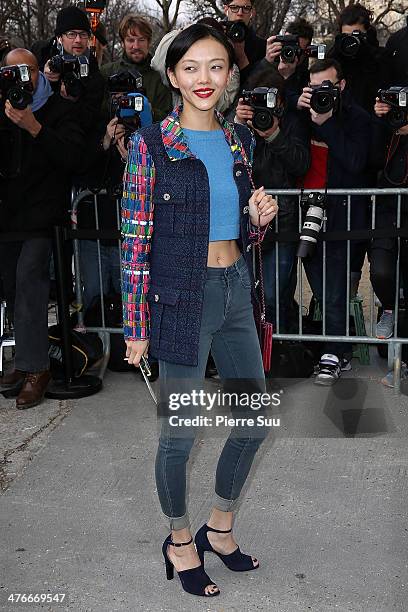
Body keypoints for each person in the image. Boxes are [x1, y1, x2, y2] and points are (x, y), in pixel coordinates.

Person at [121, 24, 277, 597]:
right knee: (180, 435)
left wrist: (256, 222)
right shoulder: (151, 145)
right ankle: (181, 538)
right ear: (172, 76)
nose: (204, 79)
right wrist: (134, 327)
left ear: (230, 74)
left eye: (215, 66)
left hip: (236, 287)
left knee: (253, 422)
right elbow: (135, 241)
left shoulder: (239, 141)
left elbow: (236, 226)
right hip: (182, 298)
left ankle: (221, 526)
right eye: (191, 68)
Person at [0, 49, 84, 408]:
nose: (21, 78)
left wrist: (34, 127)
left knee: (31, 284)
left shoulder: (57, 109)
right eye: (11, 71)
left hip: (43, 217)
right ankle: (25, 361)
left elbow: (73, 158)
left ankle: (37, 370)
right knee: (14, 290)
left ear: (39, 73)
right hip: (7, 218)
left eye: (27, 70)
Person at [296, 58, 371, 385]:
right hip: (300, 209)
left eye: (326, 87)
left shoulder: (358, 118)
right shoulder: (300, 115)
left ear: (341, 86)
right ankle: (328, 348)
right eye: (314, 89)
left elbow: (355, 162)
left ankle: (333, 354)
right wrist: (290, 109)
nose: (319, 94)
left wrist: (326, 123)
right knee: (322, 288)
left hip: (341, 211)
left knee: (335, 289)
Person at [235, 68, 310, 330]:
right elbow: (229, 164)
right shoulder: (240, 128)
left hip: (283, 221)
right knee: (245, 293)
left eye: (271, 100)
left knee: (274, 293)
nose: (265, 108)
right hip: (246, 222)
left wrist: (275, 136)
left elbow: (301, 164)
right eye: (258, 100)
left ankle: (276, 350)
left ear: (281, 100)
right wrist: (238, 125)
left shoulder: (293, 122)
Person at [369, 96, 408, 341]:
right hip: (388, 208)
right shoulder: (387, 127)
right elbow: (371, 159)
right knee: (380, 271)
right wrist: (380, 120)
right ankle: (389, 308)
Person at [100, 14, 172, 122]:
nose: (136, 46)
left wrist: (149, 110)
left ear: (149, 42)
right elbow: (94, 115)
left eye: (141, 40)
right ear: (122, 43)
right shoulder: (106, 72)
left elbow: (168, 119)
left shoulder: (159, 77)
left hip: (149, 136)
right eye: (130, 40)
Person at [223, 0, 266, 86]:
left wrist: (241, 57)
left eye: (246, 8)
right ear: (226, 9)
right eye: (234, 8)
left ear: (252, 12)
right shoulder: (215, 37)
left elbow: (257, 85)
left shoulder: (262, 47)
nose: (240, 13)